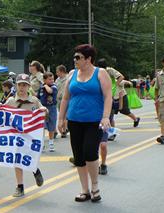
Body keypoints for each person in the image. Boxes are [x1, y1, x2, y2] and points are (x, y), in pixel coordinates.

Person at [58, 44, 112, 203]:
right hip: (74, 120)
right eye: (74, 57)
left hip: (94, 121)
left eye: (78, 57)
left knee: (90, 152)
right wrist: (61, 119)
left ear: (88, 59)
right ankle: (85, 190)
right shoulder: (72, 74)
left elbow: (108, 95)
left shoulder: (100, 73)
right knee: (79, 156)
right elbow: (66, 98)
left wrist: (106, 116)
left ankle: (95, 187)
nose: (75, 60)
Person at [4, 73, 46, 197]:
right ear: (16, 86)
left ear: (29, 87)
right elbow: (2, 113)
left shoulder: (34, 100)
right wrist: (0, 107)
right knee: (17, 160)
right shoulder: (11, 101)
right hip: (16, 136)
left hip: (30, 136)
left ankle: (35, 170)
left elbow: (42, 110)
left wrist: (44, 109)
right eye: (20, 85)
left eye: (25, 85)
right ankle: (20, 186)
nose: (22, 88)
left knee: (29, 157)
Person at [97, 59, 140, 128]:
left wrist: (115, 85)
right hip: (110, 95)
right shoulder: (99, 72)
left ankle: (136, 119)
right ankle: (111, 131)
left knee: (124, 110)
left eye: (103, 68)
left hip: (121, 95)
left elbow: (121, 77)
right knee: (110, 114)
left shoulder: (110, 70)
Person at [38, 72, 58, 152]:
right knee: (42, 127)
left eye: (52, 79)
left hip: (51, 108)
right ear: (44, 80)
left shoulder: (54, 87)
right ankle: (42, 144)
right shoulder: (41, 88)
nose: (52, 80)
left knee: (51, 126)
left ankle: (51, 143)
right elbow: (38, 97)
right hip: (43, 108)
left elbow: (50, 91)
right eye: (49, 79)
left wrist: (45, 85)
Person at [154, 55, 164, 144]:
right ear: (163, 63)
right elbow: (156, 88)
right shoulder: (159, 75)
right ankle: (163, 136)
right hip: (163, 99)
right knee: (163, 118)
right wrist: (156, 99)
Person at [55, 65, 69, 138]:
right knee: (61, 114)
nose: (57, 73)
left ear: (62, 71)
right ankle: (64, 129)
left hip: (66, 98)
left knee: (65, 115)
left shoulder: (68, 78)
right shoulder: (57, 80)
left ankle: (64, 130)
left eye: (58, 72)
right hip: (59, 99)